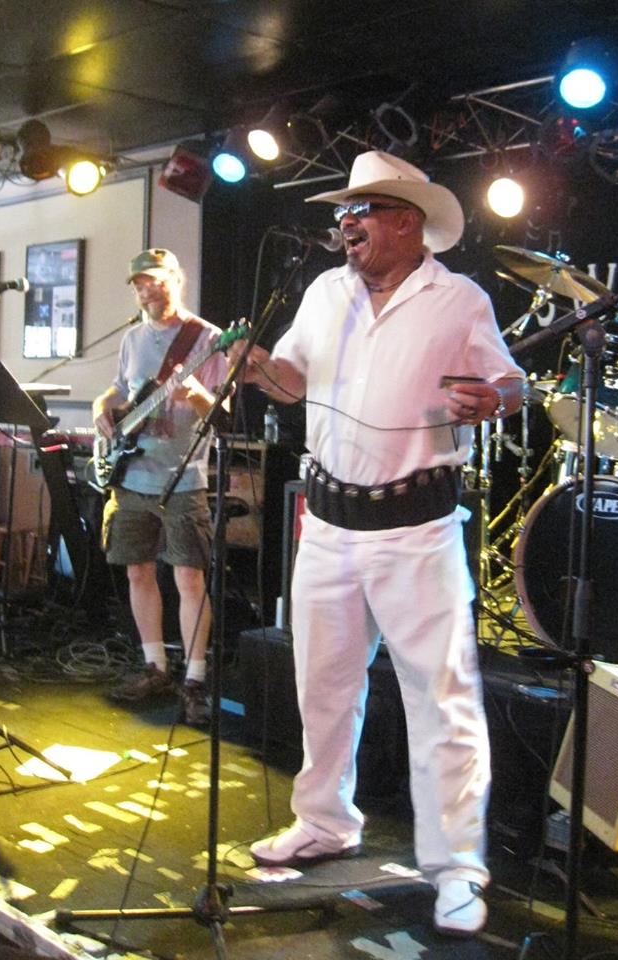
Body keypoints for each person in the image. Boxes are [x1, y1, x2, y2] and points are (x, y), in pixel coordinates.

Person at [230, 151, 525, 937]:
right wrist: (255, 369)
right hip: (327, 524)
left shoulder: (457, 299)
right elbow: (293, 381)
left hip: (416, 528)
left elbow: (513, 382)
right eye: (343, 212)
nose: (346, 223)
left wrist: (493, 397)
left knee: (442, 702)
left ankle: (456, 867)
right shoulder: (325, 292)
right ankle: (325, 821)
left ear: (406, 221)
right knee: (323, 685)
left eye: (361, 210)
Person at [92, 248, 228, 726]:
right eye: (138, 284)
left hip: (182, 478)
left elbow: (224, 412)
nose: (145, 289)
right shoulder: (132, 339)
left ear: (175, 279)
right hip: (132, 475)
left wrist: (198, 394)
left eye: (152, 280)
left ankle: (195, 679)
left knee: (189, 578)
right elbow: (119, 390)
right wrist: (101, 407)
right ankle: (155, 666)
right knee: (138, 572)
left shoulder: (208, 338)